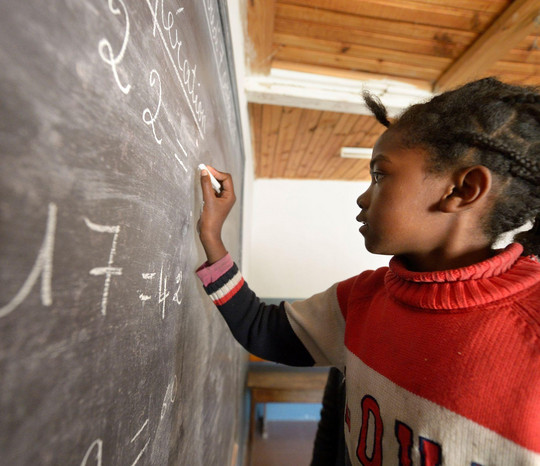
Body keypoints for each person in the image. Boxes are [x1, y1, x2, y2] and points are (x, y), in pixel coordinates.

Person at [196, 77, 540, 464]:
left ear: (463, 189)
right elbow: (266, 330)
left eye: (380, 174)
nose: (363, 197)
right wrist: (212, 236)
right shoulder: (362, 299)